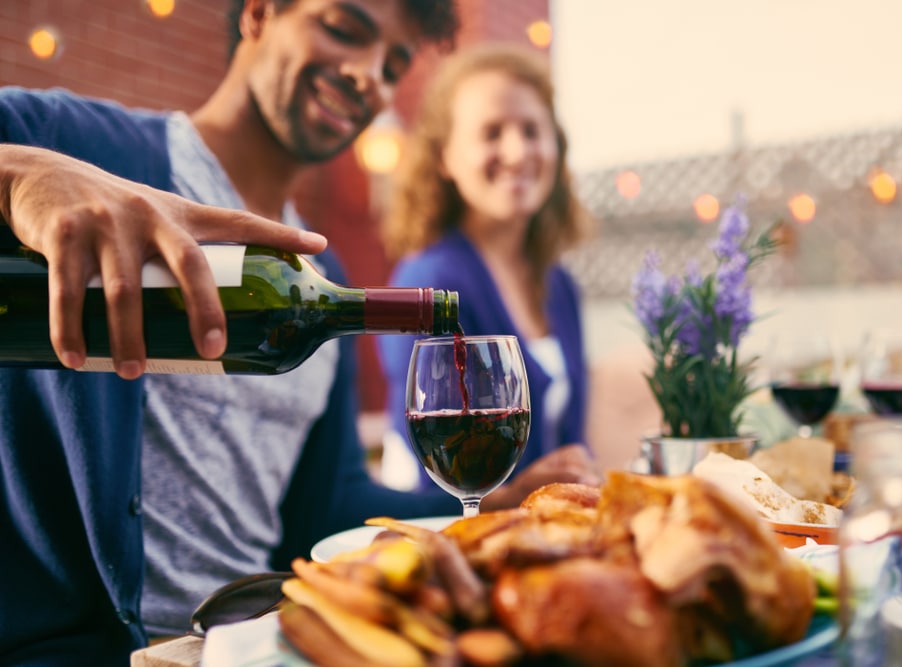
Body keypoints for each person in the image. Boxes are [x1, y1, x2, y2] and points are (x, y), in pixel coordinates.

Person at [0, 2, 598, 664]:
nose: (370, 75)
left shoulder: (324, 279)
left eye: (394, 64)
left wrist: (495, 501)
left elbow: (329, 505)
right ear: (259, 12)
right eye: (345, 29)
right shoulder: (79, 149)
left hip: (257, 642)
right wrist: (16, 174)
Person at [377, 42, 594, 491]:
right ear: (444, 158)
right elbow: (434, 471)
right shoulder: (428, 284)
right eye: (492, 132)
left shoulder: (560, 286)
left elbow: (574, 445)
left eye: (532, 130)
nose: (517, 152)